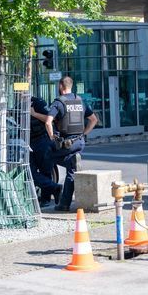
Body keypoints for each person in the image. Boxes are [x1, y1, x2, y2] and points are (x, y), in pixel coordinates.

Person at [43, 76, 97, 212]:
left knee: (46, 157)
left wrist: (51, 137)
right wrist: (84, 133)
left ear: (61, 86)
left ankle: (47, 191)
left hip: (65, 143)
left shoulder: (59, 102)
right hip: (79, 142)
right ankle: (64, 204)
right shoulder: (80, 101)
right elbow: (94, 119)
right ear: (71, 86)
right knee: (72, 171)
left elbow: (48, 122)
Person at [29, 96, 62, 207]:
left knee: (45, 170)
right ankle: (54, 187)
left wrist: (34, 114)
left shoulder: (37, 102)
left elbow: (50, 118)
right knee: (30, 173)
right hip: (29, 142)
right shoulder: (18, 104)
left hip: (42, 140)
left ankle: (45, 200)